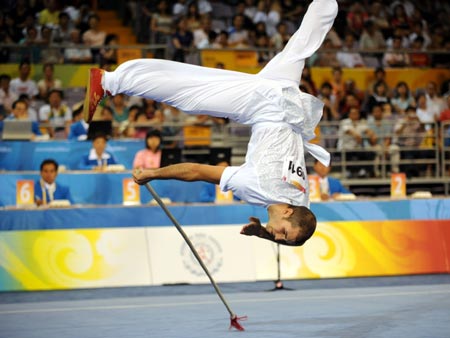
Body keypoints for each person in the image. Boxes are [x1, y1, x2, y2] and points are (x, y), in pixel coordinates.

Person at [84, 0, 339, 247]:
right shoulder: (254, 187)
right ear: (286, 213)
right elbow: (195, 171)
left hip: (287, 95)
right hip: (264, 105)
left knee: (305, 41)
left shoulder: (301, 201)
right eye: (282, 234)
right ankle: (108, 82)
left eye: (281, 239)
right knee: (190, 94)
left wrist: (263, 232)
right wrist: (154, 174)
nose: (278, 237)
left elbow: (296, 228)